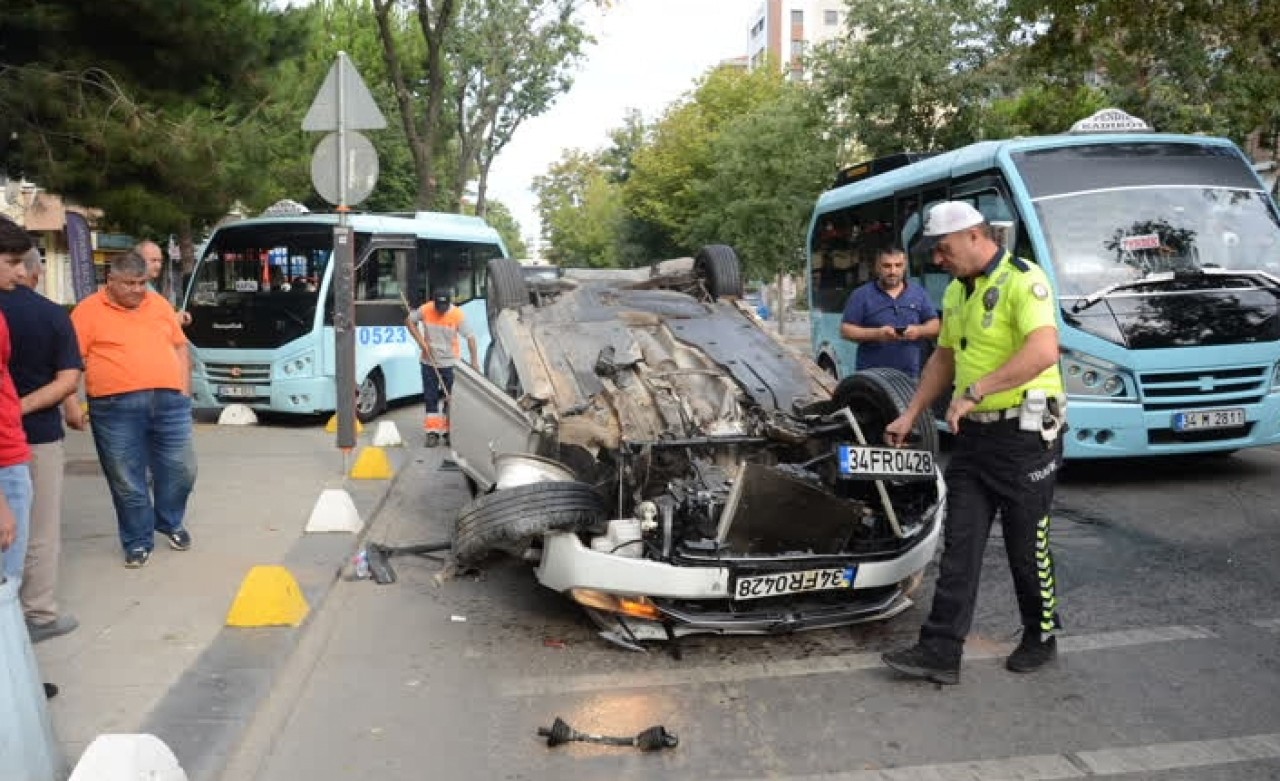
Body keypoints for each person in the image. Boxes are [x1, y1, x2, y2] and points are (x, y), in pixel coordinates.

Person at [880, 201, 1066, 684]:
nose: (939, 260)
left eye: (943, 250)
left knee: (1027, 545)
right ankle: (940, 651)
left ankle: (1041, 633)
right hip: (973, 438)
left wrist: (979, 390)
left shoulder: (1025, 280)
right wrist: (912, 412)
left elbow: (1043, 350)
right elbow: (944, 357)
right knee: (959, 543)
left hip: (1025, 437)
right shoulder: (958, 293)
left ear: (974, 237)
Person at [71, 250, 196, 568]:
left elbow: (180, 346)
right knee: (127, 478)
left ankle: (168, 521)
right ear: (110, 280)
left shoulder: (158, 305)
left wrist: (183, 389)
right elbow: (71, 362)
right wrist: (70, 403)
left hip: (170, 403)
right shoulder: (87, 312)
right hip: (114, 408)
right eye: (129, 283)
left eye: (142, 282)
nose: (138, 290)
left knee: (182, 470)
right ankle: (138, 540)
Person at [0, 247, 85, 643]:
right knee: (40, 529)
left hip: (13, 433)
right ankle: (37, 613)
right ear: (36, 272)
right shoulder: (52, 316)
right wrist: (21, 409)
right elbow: (68, 380)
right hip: (36, 437)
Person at [839, 246, 940, 378]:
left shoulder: (919, 293)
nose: (893, 271)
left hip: (912, 376)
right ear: (877, 267)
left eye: (898, 265)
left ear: (905, 267)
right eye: (887, 266)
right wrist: (877, 334)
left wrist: (919, 331)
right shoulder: (861, 295)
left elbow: (935, 325)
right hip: (873, 377)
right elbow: (846, 330)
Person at [405, 286, 479, 435]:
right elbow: (408, 321)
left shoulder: (457, 315)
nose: (441, 310)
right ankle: (431, 431)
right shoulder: (426, 309)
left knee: (450, 399)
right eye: (438, 307)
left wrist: (474, 361)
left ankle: (447, 432)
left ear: (450, 304)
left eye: (444, 307)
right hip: (429, 362)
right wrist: (421, 342)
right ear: (434, 303)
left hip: (451, 364)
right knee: (430, 397)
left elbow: (470, 337)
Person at [136, 240, 192, 326]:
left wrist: (176, 316)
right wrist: (174, 320)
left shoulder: (148, 286)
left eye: (160, 261)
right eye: (153, 260)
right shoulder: (135, 289)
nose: (158, 266)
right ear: (138, 260)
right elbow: (144, 322)